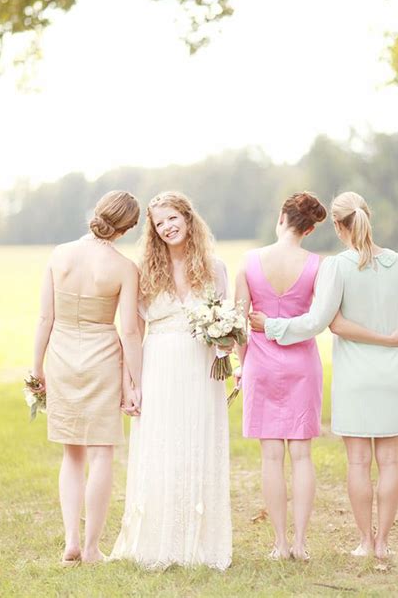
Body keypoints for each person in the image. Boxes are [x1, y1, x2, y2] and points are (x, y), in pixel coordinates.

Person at [250, 191, 398, 560]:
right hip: (392, 374)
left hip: (355, 379)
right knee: (391, 463)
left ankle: (364, 541)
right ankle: (384, 543)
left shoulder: (337, 266)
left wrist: (272, 326)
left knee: (359, 463)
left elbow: (319, 322)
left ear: (338, 227)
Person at [111, 191, 232, 570]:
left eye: (172, 218)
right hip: (159, 366)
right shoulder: (145, 271)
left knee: (197, 441)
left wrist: (226, 338)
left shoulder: (214, 267)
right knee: (161, 445)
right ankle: (157, 539)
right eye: (159, 223)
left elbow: (227, 329)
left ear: (187, 217)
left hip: (200, 368)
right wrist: (131, 383)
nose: (167, 227)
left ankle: (198, 542)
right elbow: (133, 330)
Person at [31, 191, 142, 564]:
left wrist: (36, 367)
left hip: (61, 357)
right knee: (102, 454)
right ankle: (93, 547)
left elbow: (44, 318)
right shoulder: (125, 268)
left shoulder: (59, 254)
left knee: (71, 454)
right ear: (126, 228)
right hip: (101, 359)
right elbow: (129, 332)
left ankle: (71, 541)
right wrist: (134, 383)